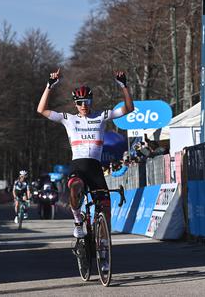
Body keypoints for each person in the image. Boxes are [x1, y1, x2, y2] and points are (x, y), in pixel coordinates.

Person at [37, 68, 133, 240]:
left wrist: (124, 86)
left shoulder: (102, 116)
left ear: (91, 101)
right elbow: (41, 110)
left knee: (105, 206)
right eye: (80, 102)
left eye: (87, 102)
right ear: (75, 103)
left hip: (95, 167)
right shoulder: (68, 118)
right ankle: (77, 221)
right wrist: (49, 86)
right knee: (75, 188)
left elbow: (128, 109)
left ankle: (103, 244)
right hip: (78, 165)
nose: (84, 106)